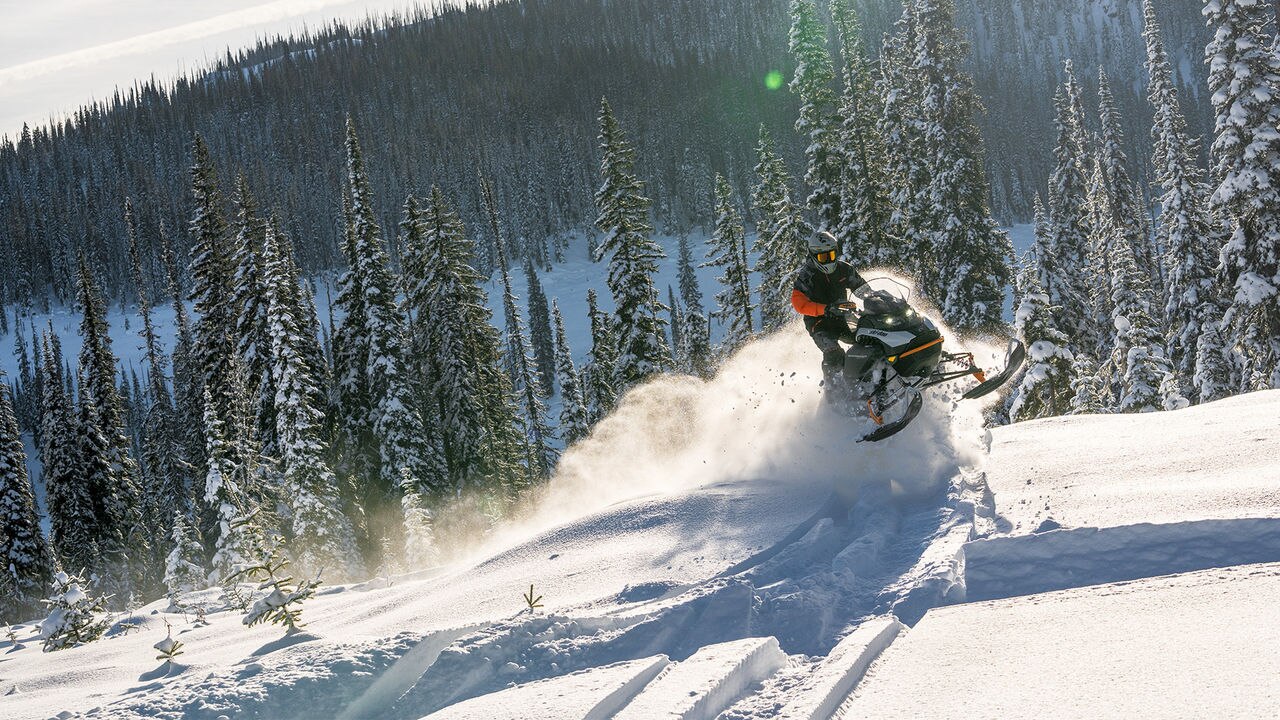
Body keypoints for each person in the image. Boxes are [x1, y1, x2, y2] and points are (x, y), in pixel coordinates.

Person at [790, 231, 875, 391]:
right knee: (834, 355)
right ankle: (835, 394)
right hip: (820, 323)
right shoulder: (807, 276)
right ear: (814, 256)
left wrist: (875, 301)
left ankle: (874, 381)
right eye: (824, 257)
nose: (829, 259)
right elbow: (798, 303)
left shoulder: (844, 269)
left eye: (832, 254)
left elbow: (863, 289)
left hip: (844, 317)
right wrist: (825, 309)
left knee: (870, 339)